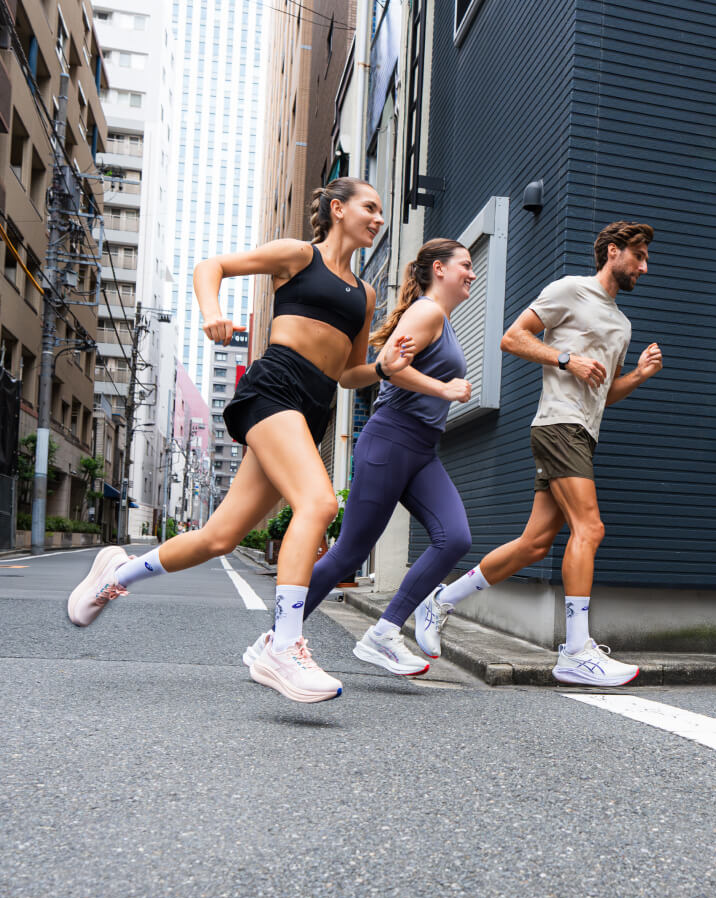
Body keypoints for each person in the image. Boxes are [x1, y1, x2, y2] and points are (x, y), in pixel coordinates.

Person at [67, 177, 416, 704]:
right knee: (318, 502)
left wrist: (383, 367)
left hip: (313, 407)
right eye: (371, 207)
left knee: (219, 538)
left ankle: (116, 574)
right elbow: (212, 268)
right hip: (274, 388)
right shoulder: (299, 256)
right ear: (338, 209)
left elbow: (347, 373)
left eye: (381, 211)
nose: (378, 218)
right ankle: (283, 645)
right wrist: (211, 313)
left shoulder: (365, 294)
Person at [415, 221, 663, 686]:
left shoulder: (623, 325)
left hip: (583, 431)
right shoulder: (571, 290)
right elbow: (513, 338)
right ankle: (574, 651)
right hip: (558, 424)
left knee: (534, 545)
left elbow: (602, 393)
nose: (644, 268)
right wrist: (566, 359)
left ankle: (440, 601)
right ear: (613, 251)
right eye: (639, 256)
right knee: (590, 527)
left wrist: (639, 376)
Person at [243, 239, 474, 677]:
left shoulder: (441, 318)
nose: (472, 273)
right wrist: (444, 389)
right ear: (440, 270)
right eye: (465, 265)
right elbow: (389, 363)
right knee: (349, 552)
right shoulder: (426, 312)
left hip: (423, 448)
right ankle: (275, 640)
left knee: (455, 538)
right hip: (391, 440)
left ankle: (384, 632)